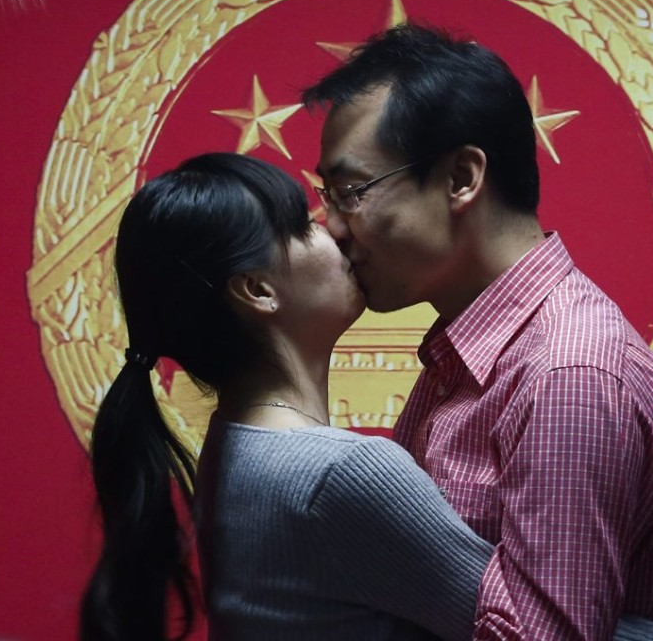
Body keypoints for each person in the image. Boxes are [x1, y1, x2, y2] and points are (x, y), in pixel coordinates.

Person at [303, 24, 653, 640]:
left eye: (351, 191)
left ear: (462, 179)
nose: (331, 226)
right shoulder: (465, 353)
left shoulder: (567, 373)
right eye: (327, 194)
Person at [78, 152, 495, 641]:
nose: (337, 232)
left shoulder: (236, 442)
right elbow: (539, 627)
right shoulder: (343, 472)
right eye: (303, 225)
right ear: (258, 290)